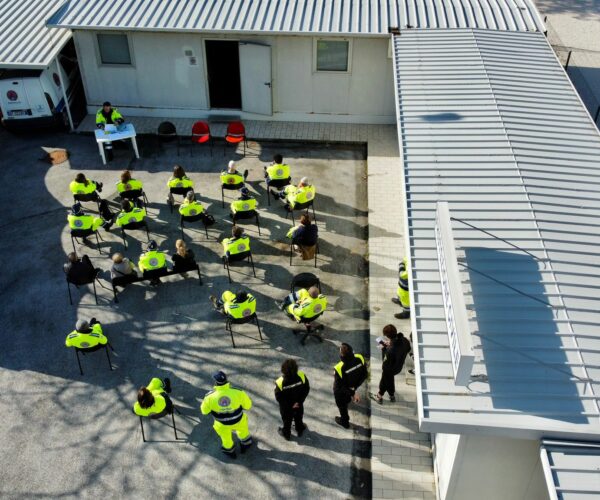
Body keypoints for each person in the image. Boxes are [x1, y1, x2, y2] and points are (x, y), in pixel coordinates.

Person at [200, 371, 253, 458]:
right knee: (243, 432)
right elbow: (248, 406)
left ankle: (230, 452)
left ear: (215, 382)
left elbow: (204, 411)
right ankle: (245, 445)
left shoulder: (209, 397)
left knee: (226, 439)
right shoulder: (238, 392)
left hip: (221, 424)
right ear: (226, 380)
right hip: (239, 420)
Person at [372, 325, 412, 404]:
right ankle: (391, 395)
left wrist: (384, 349)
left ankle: (379, 397)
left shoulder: (390, 350)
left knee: (384, 381)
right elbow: (407, 349)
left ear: (387, 336)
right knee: (389, 380)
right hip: (399, 366)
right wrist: (391, 344)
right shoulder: (404, 340)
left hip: (389, 369)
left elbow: (385, 363)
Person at [333, 343, 368, 429]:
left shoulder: (339, 367)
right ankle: (349, 399)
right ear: (352, 351)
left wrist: (352, 392)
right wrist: (354, 388)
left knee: (341, 405)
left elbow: (341, 386)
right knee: (348, 396)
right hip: (354, 385)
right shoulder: (360, 357)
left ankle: (345, 422)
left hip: (343, 391)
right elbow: (365, 374)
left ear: (341, 354)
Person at [274, 359, 310, 440]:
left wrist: (289, 405)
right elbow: (306, 389)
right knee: (298, 416)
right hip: (298, 404)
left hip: (286, 408)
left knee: (287, 420)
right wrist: (299, 402)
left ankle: (286, 433)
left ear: (283, 370)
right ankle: (299, 428)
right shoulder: (302, 376)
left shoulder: (280, 382)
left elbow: (279, 397)